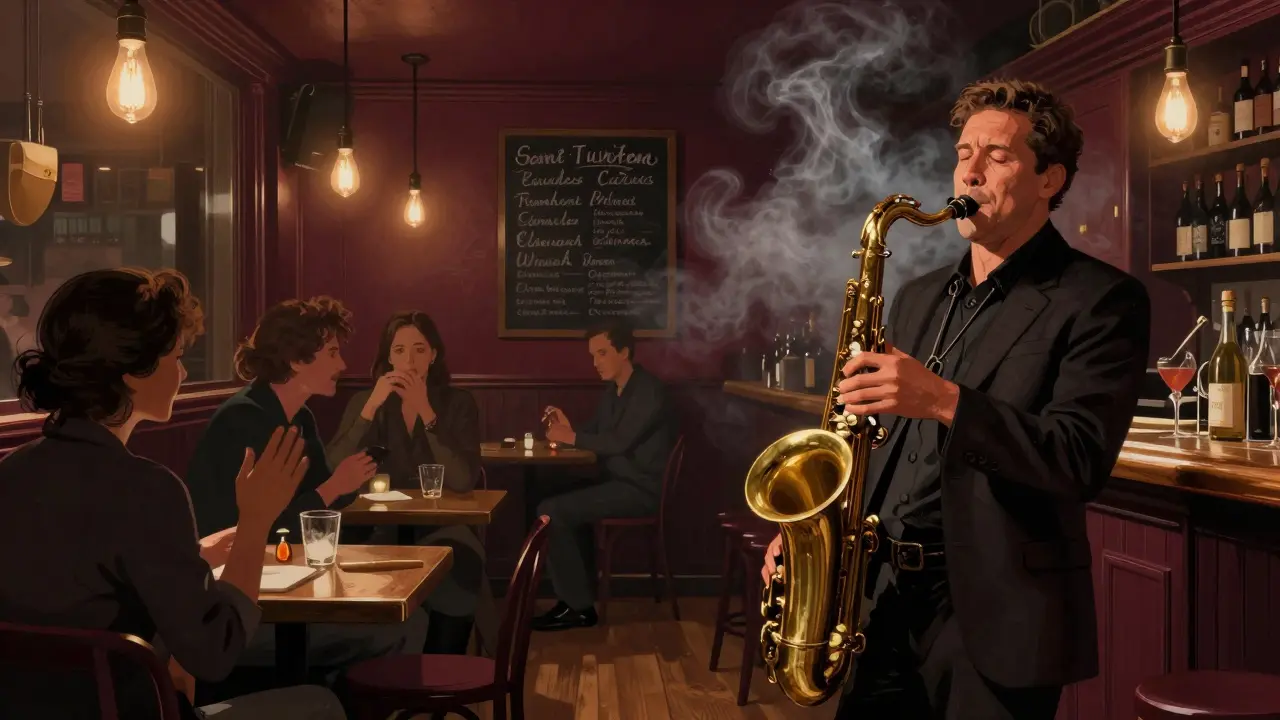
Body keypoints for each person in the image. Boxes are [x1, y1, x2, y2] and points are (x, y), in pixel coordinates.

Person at [760, 79, 1151, 719]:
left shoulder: (1101, 300)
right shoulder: (914, 297)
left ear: (1050, 179)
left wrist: (944, 400)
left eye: (996, 156)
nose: (969, 170)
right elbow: (865, 439)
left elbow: (1077, 459)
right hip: (879, 597)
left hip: (995, 612)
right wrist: (812, 532)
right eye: (963, 152)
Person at [0, 268, 345, 720]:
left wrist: (196, 550)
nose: (182, 372)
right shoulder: (148, 489)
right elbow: (215, 651)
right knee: (321, 705)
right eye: (177, 356)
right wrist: (256, 523)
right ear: (133, 370)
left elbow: (83, 581)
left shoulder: (12, 471)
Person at [185, 296, 428, 672]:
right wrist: (334, 486)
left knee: (407, 619)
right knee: (395, 628)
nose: (343, 365)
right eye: (332, 352)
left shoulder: (301, 418)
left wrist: (347, 479)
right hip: (234, 604)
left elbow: (315, 502)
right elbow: (261, 527)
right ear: (297, 360)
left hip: (284, 581)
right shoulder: (244, 420)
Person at [327, 310, 494, 655]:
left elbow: (463, 479)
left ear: (433, 355)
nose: (410, 360)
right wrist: (371, 405)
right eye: (399, 350)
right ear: (388, 357)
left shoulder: (457, 402)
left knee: (458, 558)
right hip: (375, 529)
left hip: (442, 525)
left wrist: (428, 413)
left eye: (419, 349)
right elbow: (332, 466)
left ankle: (439, 676)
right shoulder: (368, 403)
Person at [532, 318, 676, 631]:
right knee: (549, 494)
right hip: (618, 483)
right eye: (593, 355)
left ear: (624, 351)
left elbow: (617, 442)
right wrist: (569, 430)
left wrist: (570, 437)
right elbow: (594, 435)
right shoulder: (614, 391)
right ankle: (577, 597)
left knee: (552, 510)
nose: (596, 363)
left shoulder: (649, 390)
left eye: (602, 353)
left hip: (641, 490)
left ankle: (577, 608)